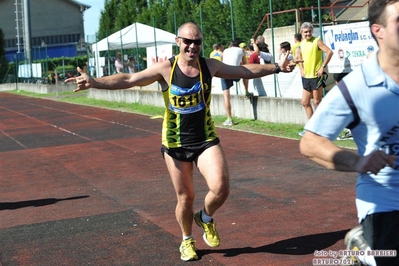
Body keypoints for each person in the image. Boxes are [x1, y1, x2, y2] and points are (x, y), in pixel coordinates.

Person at [66, 22, 296, 262]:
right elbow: (130, 78)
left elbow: (244, 71)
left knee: (221, 187)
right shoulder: (166, 69)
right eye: (188, 41)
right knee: (185, 197)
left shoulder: (210, 66)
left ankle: (205, 217)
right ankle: (187, 240)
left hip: (205, 138)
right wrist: (94, 82)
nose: (192, 46)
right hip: (175, 143)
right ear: (178, 42)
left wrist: (277, 67)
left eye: (197, 42)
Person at [299, 1, 399, 265]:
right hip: (386, 200)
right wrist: (358, 162)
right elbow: (310, 143)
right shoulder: (357, 86)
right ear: (379, 30)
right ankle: (365, 252)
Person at [296, 22, 333, 136]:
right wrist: (301, 69)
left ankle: (324, 126)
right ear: (301, 33)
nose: (308, 33)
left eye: (309, 31)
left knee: (317, 101)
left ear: (312, 31)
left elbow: (329, 52)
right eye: (305, 32)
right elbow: (299, 57)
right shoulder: (301, 44)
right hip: (306, 77)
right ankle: (311, 128)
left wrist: (322, 67)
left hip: (316, 76)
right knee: (305, 102)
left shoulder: (317, 41)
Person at [221, 40, 246, 126]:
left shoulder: (225, 51)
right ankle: (246, 91)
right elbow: (245, 64)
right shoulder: (241, 50)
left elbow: (222, 59)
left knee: (226, 96)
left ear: (229, 46)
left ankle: (229, 119)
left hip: (224, 72)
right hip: (235, 72)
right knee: (246, 73)